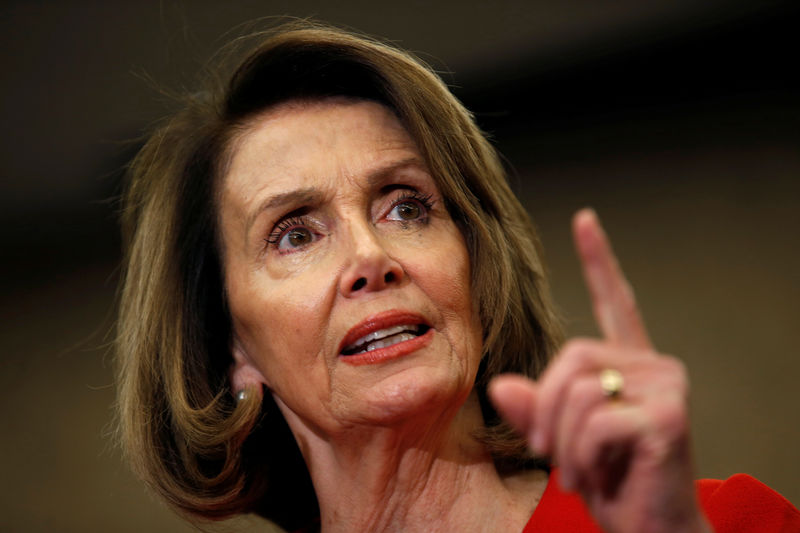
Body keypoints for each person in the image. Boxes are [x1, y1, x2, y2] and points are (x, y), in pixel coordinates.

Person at [116, 21, 800, 532]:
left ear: (475, 264)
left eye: (407, 207)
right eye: (295, 233)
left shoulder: (716, 521)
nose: (370, 256)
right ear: (230, 350)